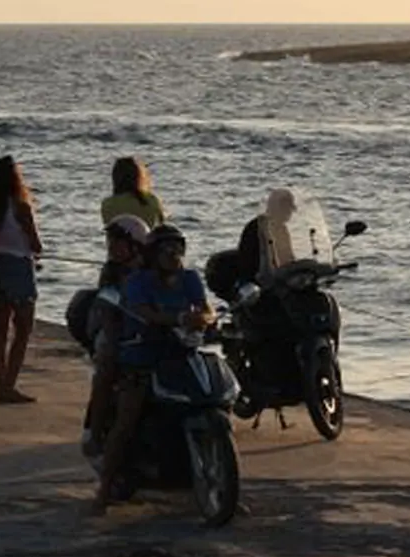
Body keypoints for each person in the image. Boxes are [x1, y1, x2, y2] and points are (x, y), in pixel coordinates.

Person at [91, 224, 214, 515]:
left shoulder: (190, 278)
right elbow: (143, 311)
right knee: (127, 419)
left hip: (182, 350)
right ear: (152, 253)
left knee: (215, 398)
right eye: (167, 249)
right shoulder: (138, 281)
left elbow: (205, 308)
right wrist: (177, 318)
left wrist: (204, 319)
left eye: (178, 248)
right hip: (143, 351)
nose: (174, 255)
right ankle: (104, 489)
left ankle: (219, 482)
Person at [83, 214, 150, 458]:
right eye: (110, 242)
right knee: (107, 366)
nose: (111, 248)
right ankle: (95, 431)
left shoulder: (154, 268)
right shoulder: (111, 272)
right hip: (115, 331)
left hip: (148, 330)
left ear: (135, 244)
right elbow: (107, 311)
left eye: (117, 242)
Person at [0, 156, 43, 404]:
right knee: (24, 328)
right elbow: (35, 244)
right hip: (17, 266)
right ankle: (9, 385)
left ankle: (1, 382)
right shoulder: (20, 207)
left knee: (0, 329)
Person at [236, 187, 297, 288]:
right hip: (257, 283)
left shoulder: (282, 228)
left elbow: (288, 256)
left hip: (278, 279)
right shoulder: (257, 228)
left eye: (290, 209)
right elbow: (255, 262)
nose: (290, 213)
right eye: (287, 209)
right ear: (276, 208)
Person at [100, 156, 167, 228]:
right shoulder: (151, 200)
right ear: (140, 176)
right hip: (147, 238)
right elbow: (161, 225)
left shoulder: (107, 204)